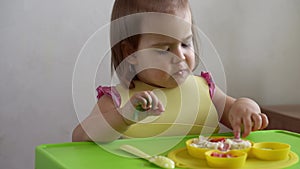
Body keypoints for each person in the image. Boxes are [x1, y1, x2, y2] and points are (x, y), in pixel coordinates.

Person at [72, 0, 268, 143]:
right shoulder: (119, 100)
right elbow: (80, 137)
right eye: (164, 49)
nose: (180, 57)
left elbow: (235, 108)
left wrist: (246, 109)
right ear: (131, 53)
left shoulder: (205, 91)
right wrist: (123, 117)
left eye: (185, 43)